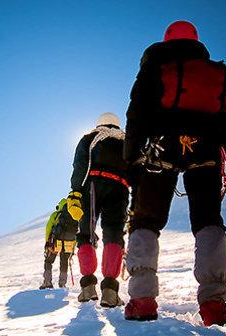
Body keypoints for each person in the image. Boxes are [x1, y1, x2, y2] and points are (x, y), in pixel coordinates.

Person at [122, 21, 226, 326]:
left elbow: (136, 114)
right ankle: (214, 304)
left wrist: (131, 163)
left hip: (160, 149)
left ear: (165, 40)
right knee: (208, 221)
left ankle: (142, 300)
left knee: (146, 220)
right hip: (205, 152)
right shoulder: (219, 74)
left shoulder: (154, 67)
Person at [67, 112, 130, 308]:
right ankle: (110, 292)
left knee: (86, 233)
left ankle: (88, 289)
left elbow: (80, 165)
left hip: (92, 186)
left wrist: (76, 191)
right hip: (119, 188)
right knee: (113, 234)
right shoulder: (127, 141)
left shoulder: (91, 138)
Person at [39, 198, 77, 289]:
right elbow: (76, 233)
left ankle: (47, 282)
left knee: (48, 261)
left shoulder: (56, 215)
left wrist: (47, 242)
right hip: (68, 244)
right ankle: (62, 284)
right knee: (64, 263)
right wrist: (73, 247)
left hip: (55, 243)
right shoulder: (73, 216)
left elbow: (49, 227)